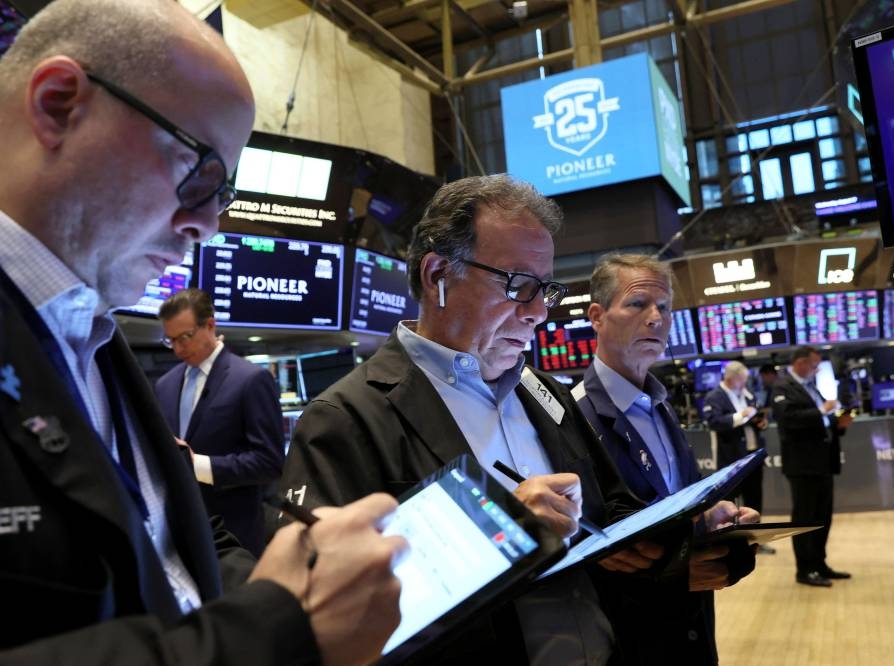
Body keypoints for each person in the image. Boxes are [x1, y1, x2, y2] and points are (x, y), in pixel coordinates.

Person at [0, 1, 406, 662]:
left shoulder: (93, 341)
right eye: (202, 175)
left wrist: (301, 588)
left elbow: (173, 558)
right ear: (58, 103)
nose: (209, 225)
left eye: (224, 196)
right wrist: (273, 631)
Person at [281, 175, 686, 665]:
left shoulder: (547, 394)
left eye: (546, 290)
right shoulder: (345, 417)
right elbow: (321, 602)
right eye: (518, 284)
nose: (538, 312)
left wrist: (690, 530)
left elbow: (611, 509)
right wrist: (495, 527)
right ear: (437, 276)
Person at [573, 253, 759, 665]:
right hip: (632, 639)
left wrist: (712, 515)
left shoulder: (660, 404)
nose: (656, 318)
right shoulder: (573, 417)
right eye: (638, 304)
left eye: (665, 307)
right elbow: (591, 550)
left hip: (691, 625)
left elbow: (677, 503)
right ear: (597, 316)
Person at [155, 288, 284, 556]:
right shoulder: (164, 385)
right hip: (178, 533)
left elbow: (269, 462)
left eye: (185, 337)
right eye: (170, 341)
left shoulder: (251, 379)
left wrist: (197, 465)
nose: (178, 349)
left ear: (210, 325)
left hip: (234, 535)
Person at [772, 346, 852, 587]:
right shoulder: (782, 386)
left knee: (823, 517)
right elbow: (788, 419)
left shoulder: (810, 386)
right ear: (800, 363)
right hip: (802, 465)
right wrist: (821, 411)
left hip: (823, 462)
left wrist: (838, 423)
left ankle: (820, 564)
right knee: (805, 518)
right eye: (815, 364)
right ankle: (804, 569)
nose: (816, 369)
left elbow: (819, 420)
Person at [703, 361, 768, 515]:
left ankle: (754, 534)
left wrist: (760, 422)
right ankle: (734, 538)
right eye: (742, 379)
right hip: (731, 457)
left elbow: (755, 413)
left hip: (753, 455)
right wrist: (741, 415)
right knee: (730, 502)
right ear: (731, 378)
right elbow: (714, 422)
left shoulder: (747, 393)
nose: (744, 383)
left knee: (754, 499)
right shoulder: (715, 396)